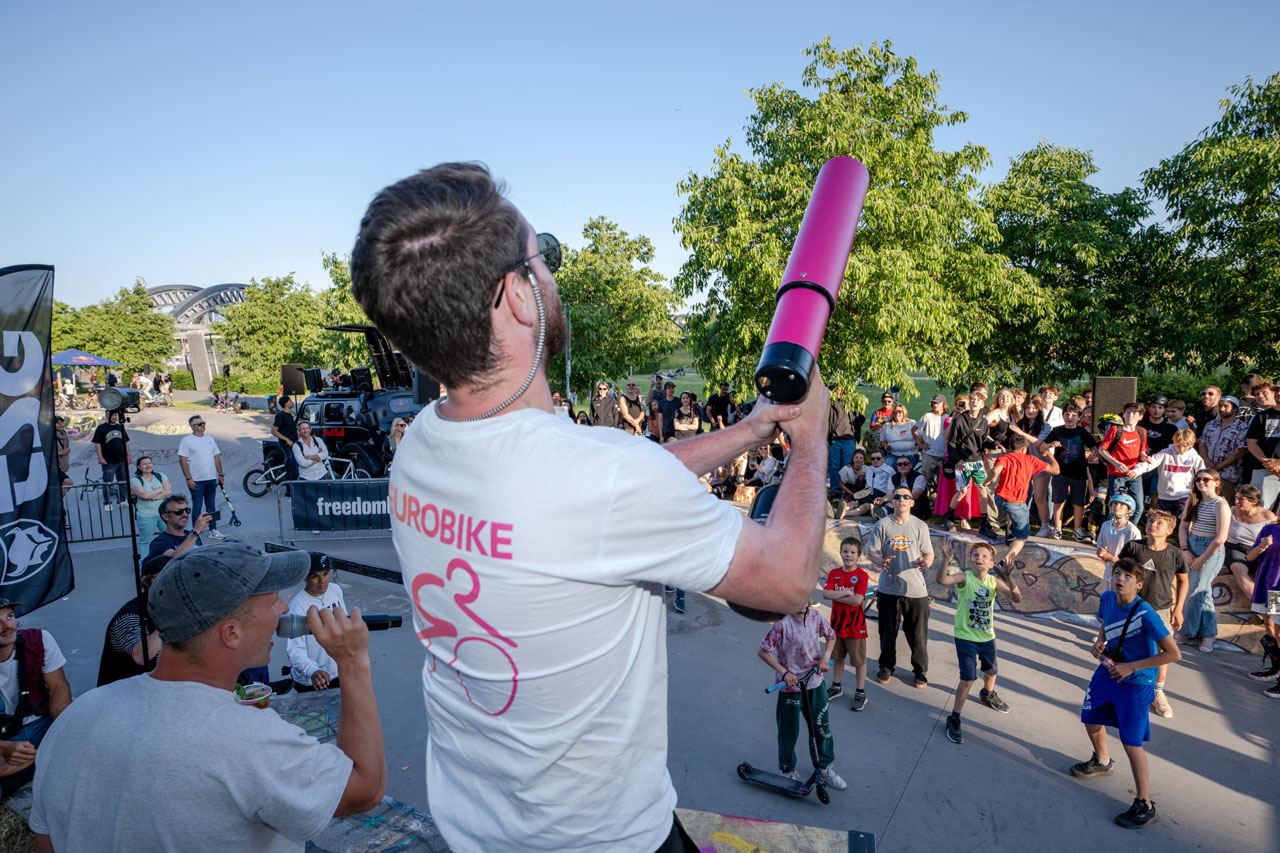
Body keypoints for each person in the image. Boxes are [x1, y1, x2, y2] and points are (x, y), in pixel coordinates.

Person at [348, 162, 830, 851]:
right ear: (517, 296)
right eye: (541, 260)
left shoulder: (423, 444)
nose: (552, 278)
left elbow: (610, 497)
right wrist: (810, 438)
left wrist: (746, 431)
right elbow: (787, 579)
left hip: (477, 830)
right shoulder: (600, 479)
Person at [30, 543, 386, 850]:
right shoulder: (251, 741)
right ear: (231, 633)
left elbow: (45, 841)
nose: (283, 609)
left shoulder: (78, 716)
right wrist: (353, 663)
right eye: (273, 598)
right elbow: (365, 789)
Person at [1069, 558, 1181, 829]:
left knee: (1131, 743)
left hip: (1137, 681)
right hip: (1108, 671)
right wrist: (1099, 642)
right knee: (1090, 718)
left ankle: (1145, 803)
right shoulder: (1107, 598)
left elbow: (1173, 654)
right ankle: (1102, 760)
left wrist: (1132, 667)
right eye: (1117, 573)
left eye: (1128, 576)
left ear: (1139, 585)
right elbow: (1106, 623)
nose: (1120, 578)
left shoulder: (1146, 614)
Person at [935, 538, 1022, 744]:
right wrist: (946, 558)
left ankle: (988, 693)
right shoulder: (964, 578)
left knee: (991, 671)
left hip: (987, 637)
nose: (979, 558)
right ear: (971, 560)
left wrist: (1009, 578)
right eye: (976, 555)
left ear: (992, 564)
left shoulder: (994, 582)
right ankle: (954, 716)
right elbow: (942, 580)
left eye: (985, 556)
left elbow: (1017, 598)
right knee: (967, 678)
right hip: (965, 637)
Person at [757, 602, 846, 790]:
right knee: (789, 731)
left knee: (821, 727)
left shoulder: (815, 617)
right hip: (791, 687)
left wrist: (825, 657)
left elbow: (831, 636)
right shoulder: (781, 623)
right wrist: (784, 673)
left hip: (814, 682)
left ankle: (825, 767)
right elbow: (763, 651)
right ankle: (787, 769)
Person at [1119, 511, 1188, 719]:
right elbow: (1120, 572)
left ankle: (1158, 692)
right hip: (1132, 607)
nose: (1153, 525)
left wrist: (1178, 609)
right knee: (1125, 647)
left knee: (1162, 652)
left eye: (1159, 523)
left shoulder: (1176, 554)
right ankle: (1123, 687)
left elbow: (1184, 581)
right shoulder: (1133, 547)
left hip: (1160, 609)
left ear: (1170, 531)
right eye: (1150, 521)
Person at [0, 600, 72, 795]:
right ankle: (40, 761)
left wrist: (64, 732)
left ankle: (24, 767)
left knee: (82, 730)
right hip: (4, 739)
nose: (7, 626)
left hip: (38, 724)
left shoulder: (40, 640)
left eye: (9, 616)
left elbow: (58, 687)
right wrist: (4, 748)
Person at [867, 486, 935, 688]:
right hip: (889, 589)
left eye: (906, 497)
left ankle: (920, 671)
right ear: (892, 501)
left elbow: (929, 553)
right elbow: (872, 552)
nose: (902, 500)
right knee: (887, 633)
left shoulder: (920, 526)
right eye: (897, 497)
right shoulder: (882, 525)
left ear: (912, 502)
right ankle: (886, 666)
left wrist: (927, 563)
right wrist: (880, 562)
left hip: (916, 590)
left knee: (918, 635)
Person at [1177, 469, 1230, 652]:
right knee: (1203, 591)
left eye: (1205, 479)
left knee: (1195, 592)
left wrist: (1202, 559)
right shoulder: (1193, 500)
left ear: (1216, 482)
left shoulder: (1221, 504)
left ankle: (1186, 631)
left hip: (1210, 550)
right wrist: (1185, 549)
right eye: (1198, 479)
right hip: (1192, 545)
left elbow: (1221, 538)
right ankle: (1209, 633)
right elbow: (1183, 526)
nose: (1201, 482)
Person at [990, 434, 1060, 569]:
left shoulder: (1003, 458)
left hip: (999, 499)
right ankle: (1005, 561)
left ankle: (1010, 534)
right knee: (1023, 535)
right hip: (1016, 503)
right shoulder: (1031, 460)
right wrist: (1049, 455)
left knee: (1013, 514)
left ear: (1010, 447)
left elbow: (996, 470)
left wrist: (989, 480)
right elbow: (1056, 470)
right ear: (1024, 449)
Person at [97, 555, 168, 686]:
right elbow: (142, 656)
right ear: (146, 581)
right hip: (125, 694)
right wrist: (169, 618)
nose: (168, 583)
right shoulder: (130, 616)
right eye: (161, 578)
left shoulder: (172, 607)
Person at [288, 554, 348, 692]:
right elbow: (294, 650)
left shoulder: (335, 590)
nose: (322, 581)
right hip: (313, 680)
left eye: (325, 574)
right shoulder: (297, 608)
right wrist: (312, 671)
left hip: (340, 671)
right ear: (305, 577)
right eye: (315, 576)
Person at [822, 537, 869, 711]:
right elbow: (826, 594)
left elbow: (857, 600)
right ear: (840, 553)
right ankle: (836, 686)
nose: (848, 555)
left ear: (858, 556)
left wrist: (839, 594)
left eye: (852, 552)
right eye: (845, 551)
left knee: (858, 661)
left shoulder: (862, 576)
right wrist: (847, 593)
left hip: (855, 626)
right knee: (838, 657)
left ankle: (860, 692)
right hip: (837, 625)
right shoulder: (834, 573)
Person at [1046, 403, 1097, 542]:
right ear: (1062, 416)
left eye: (1074, 415)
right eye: (1067, 414)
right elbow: (1043, 447)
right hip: (1060, 472)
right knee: (1058, 501)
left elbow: (1094, 446)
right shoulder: (1057, 431)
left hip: (1079, 473)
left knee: (1078, 503)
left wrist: (1092, 453)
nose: (1070, 417)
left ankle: (1077, 530)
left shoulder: (1082, 432)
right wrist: (1051, 446)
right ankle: (1057, 529)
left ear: (1079, 417)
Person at [1097, 402, 1149, 517]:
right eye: (1128, 412)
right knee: (1116, 507)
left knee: (1138, 507)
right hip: (1116, 474)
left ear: (1140, 417)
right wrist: (1116, 463)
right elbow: (1102, 450)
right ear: (1124, 415)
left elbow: (1142, 452)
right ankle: (1113, 532)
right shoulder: (1115, 430)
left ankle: (1128, 531)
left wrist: (1146, 458)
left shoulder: (1142, 431)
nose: (1131, 415)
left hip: (1134, 474)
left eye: (1135, 413)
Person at [178, 415, 226, 540]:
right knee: (197, 507)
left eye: (203, 423)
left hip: (211, 478)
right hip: (196, 480)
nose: (202, 425)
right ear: (192, 427)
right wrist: (188, 478)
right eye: (199, 424)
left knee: (211, 506)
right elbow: (182, 460)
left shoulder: (210, 439)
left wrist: (220, 475)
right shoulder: (186, 441)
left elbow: (216, 457)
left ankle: (213, 529)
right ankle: (196, 533)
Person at [1225, 484, 1276, 600]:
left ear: (1254, 501)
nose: (1236, 501)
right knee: (1238, 569)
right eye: (1236, 498)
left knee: (1270, 577)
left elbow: (1275, 537)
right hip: (1236, 548)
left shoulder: (1268, 516)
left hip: (1260, 550)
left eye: (1241, 499)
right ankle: (1260, 604)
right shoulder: (1231, 511)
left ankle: (1272, 612)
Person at [1197, 394, 1249, 503]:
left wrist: (1218, 467)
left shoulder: (1242, 428)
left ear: (1235, 409)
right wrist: (1206, 461)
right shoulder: (1210, 424)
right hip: (1207, 474)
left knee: (1224, 505)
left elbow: (1239, 452)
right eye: (1220, 406)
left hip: (1228, 476)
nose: (1221, 409)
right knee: (1205, 505)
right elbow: (1202, 444)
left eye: (1226, 406)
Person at [1244, 383, 1280, 511]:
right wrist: (1267, 462)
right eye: (1277, 390)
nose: (1279, 393)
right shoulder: (1262, 416)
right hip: (1264, 470)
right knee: (1260, 510)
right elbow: (1252, 443)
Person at [1097, 494, 1143, 586]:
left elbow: (1136, 560)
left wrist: (1113, 559)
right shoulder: (1105, 526)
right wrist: (1100, 552)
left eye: (1122, 504)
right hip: (1107, 575)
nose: (1117, 506)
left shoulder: (1133, 531)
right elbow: (1100, 546)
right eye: (1115, 503)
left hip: (1124, 580)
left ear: (1129, 510)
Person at [130, 455, 171, 552]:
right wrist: (161, 490)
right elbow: (144, 495)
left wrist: (153, 497)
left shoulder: (161, 476)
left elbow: (168, 491)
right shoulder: (135, 480)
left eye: (149, 463)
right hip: (146, 515)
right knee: (145, 541)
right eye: (144, 464)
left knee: (167, 538)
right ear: (139, 467)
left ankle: (166, 560)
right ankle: (142, 565)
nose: (148, 465)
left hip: (164, 514)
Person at [91, 409, 131, 511]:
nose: (114, 417)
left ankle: (122, 500)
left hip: (121, 459)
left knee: (122, 480)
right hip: (108, 460)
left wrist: (128, 455)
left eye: (116, 415)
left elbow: (125, 442)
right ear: (107, 415)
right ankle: (107, 502)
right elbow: (97, 443)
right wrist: (100, 457)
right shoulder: (101, 428)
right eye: (112, 415)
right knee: (107, 482)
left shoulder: (120, 427)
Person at [826, 386, 859, 496]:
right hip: (834, 438)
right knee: (834, 466)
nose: (838, 392)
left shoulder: (852, 403)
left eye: (840, 389)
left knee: (847, 465)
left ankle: (847, 489)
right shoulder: (830, 404)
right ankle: (835, 488)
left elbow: (860, 417)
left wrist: (854, 429)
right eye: (835, 390)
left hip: (849, 438)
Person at [917, 395, 949, 489]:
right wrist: (920, 444)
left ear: (943, 404)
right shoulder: (927, 416)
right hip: (929, 453)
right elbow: (914, 429)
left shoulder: (948, 418)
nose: (935, 405)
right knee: (925, 479)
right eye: (934, 403)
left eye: (937, 403)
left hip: (943, 454)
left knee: (942, 481)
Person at [879, 403, 918, 469]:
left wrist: (918, 445)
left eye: (899, 411)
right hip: (893, 454)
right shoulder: (887, 425)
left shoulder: (911, 423)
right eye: (895, 412)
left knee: (905, 468)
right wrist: (886, 447)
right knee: (887, 468)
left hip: (910, 454)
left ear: (904, 413)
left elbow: (919, 437)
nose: (897, 413)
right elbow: (882, 440)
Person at [273, 395, 301, 480]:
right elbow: (274, 431)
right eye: (290, 401)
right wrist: (286, 440)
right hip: (287, 445)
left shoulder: (290, 415)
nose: (292, 402)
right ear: (285, 404)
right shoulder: (280, 416)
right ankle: (289, 490)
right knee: (291, 467)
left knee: (295, 465)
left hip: (294, 444)